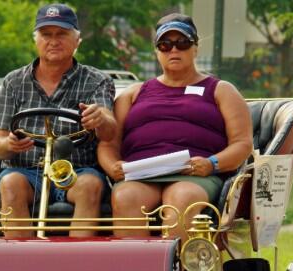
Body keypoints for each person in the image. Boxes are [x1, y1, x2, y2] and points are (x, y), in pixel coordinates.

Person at [98, 13, 253, 238]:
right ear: (157, 52)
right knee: (125, 197)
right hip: (141, 174)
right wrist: (113, 166)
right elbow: (108, 143)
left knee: (181, 198)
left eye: (182, 43)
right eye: (165, 44)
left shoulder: (221, 90)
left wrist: (211, 164)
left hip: (195, 174)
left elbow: (242, 144)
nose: (174, 50)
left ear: (195, 48)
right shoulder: (133, 93)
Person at [0, 3, 117, 238]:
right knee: (9, 184)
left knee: (90, 185)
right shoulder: (13, 82)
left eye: (62, 34)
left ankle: (78, 267)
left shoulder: (97, 80)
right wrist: (9, 144)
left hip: (78, 171)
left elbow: (109, 132)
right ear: (36, 40)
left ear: (77, 40)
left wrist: (100, 118)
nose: (53, 41)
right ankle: (19, 266)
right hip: (26, 171)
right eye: (46, 34)